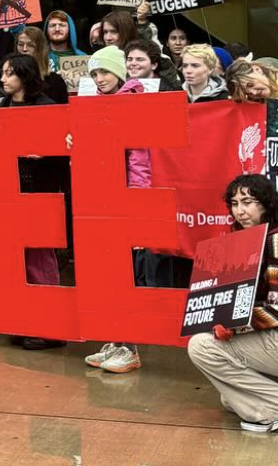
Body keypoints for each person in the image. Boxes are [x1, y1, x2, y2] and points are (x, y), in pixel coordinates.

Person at [188, 174, 278, 433]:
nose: (240, 211)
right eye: (234, 204)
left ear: (266, 203)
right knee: (232, 398)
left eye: (248, 202)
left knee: (201, 346)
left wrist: (235, 327)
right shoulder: (262, 237)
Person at [82, 46, 156, 373]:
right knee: (111, 272)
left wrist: (137, 203)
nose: (99, 79)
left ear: (120, 73)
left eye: (105, 72)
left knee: (129, 275)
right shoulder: (100, 103)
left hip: (128, 199)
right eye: (95, 74)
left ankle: (130, 346)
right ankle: (116, 338)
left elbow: (140, 159)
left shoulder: (134, 102)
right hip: (105, 198)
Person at [0, 53, 70, 351]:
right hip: (10, 193)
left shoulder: (46, 108)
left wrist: (47, 152)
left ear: (24, 76)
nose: (3, 79)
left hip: (40, 192)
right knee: (17, 261)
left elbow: (64, 152)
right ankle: (25, 321)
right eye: (2, 73)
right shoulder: (1, 105)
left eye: (9, 73)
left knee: (40, 260)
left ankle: (50, 327)